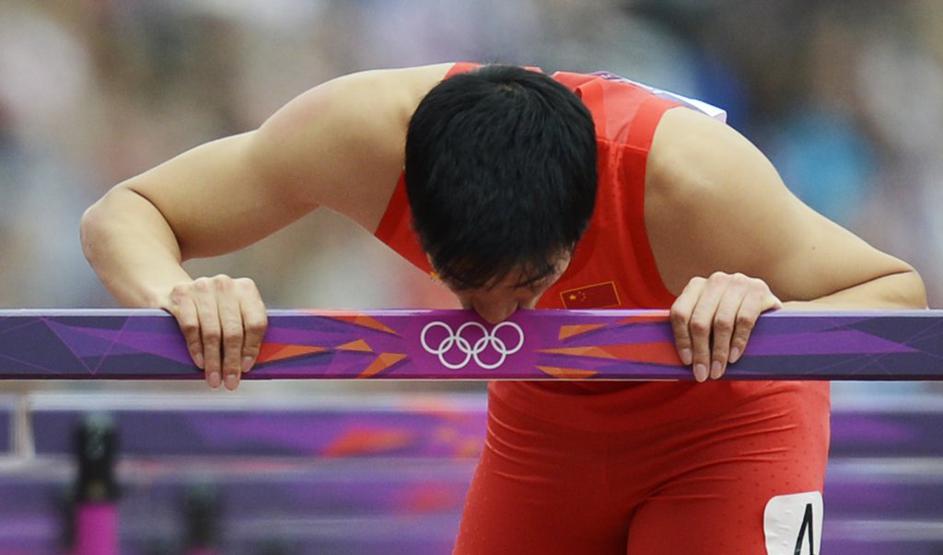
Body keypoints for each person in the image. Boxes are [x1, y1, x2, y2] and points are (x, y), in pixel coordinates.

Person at [80, 63, 927, 554]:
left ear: (580, 220)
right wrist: (178, 297)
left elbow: (896, 292)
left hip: (726, 424)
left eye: (529, 289)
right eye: (464, 291)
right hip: (544, 421)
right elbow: (127, 211)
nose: (494, 323)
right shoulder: (355, 136)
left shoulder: (691, 180)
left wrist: (771, 308)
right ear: (410, 202)